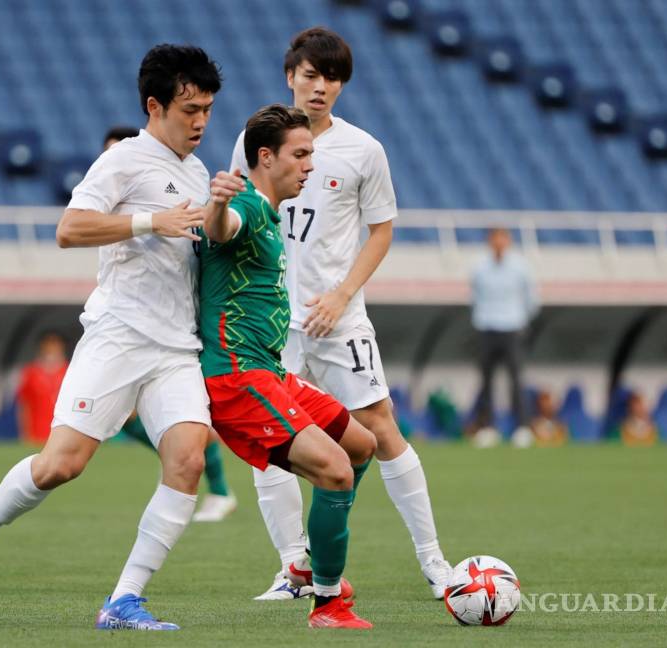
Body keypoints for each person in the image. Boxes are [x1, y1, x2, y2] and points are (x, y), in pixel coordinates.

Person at [0, 44, 222, 631]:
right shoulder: (123, 162)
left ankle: (123, 600)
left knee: (187, 460)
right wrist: (147, 220)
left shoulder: (197, 170)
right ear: (155, 106)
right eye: (190, 109)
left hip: (174, 347)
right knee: (61, 465)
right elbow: (68, 229)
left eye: (207, 108)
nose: (201, 120)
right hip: (118, 337)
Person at [229, 27, 452, 601]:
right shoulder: (254, 140)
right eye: (310, 75)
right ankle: (293, 568)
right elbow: (237, 217)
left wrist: (341, 294)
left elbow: (381, 231)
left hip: (338, 318)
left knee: (380, 428)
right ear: (290, 76)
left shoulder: (363, 149)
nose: (321, 87)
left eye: (332, 78)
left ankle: (434, 562)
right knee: (269, 440)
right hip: (269, 322)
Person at [203, 104, 376, 628]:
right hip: (238, 377)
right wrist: (216, 206)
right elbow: (221, 229)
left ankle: (305, 565)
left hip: (270, 372)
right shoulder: (251, 206)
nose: (309, 166)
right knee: (335, 469)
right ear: (265, 156)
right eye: (300, 155)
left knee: (362, 445)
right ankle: (327, 601)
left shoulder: (272, 211)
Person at [102, 126, 237, 522]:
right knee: (121, 423)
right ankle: (202, 478)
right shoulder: (110, 200)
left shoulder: (175, 186)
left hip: (172, 325)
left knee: (188, 421)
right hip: (123, 319)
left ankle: (221, 489)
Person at [470, 227, 539, 446]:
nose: (498, 243)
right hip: (487, 327)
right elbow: (475, 297)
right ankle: (488, 427)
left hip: (512, 327)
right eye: (494, 239)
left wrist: (521, 320)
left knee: (516, 379)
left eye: (502, 238)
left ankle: (522, 428)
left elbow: (531, 298)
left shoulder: (520, 267)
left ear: (508, 241)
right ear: (490, 241)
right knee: (487, 381)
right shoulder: (480, 268)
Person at [17, 332, 69, 445]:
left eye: (55, 343)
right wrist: (25, 433)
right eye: (48, 343)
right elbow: (24, 405)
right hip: (38, 434)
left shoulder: (70, 371)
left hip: (64, 434)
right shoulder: (31, 372)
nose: (52, 347)